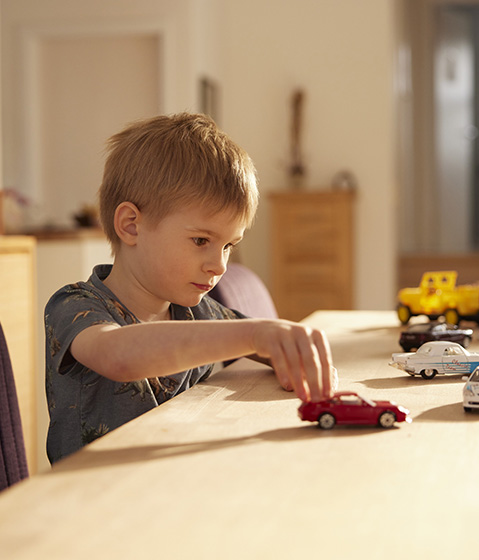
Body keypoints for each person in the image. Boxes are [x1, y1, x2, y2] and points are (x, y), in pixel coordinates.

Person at [45, 112, 333, 464]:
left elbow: (262, 344)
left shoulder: (196, 310)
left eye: (229, 246)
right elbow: (118, 355)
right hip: (87, 499)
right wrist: (255, 334)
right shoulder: (75, 304)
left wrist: (291, 351)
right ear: (131, 226)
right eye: (201, 240)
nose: (220, 264)